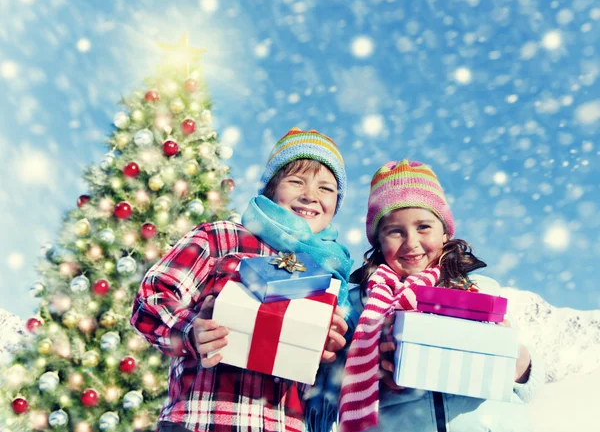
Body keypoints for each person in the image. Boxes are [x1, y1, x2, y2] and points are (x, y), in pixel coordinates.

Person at [131, 127, 356, 432]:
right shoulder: (223, 237)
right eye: (296, 181)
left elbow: (317, 380)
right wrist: (189, 331)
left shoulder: (328, 274)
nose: (310, 195)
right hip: (202, 419)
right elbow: (152, 297)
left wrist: (325, 350)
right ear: (271, 189)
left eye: (326, 188)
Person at [338, 159, 544, 432]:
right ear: (378, 240)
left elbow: (528, 387)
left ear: (445, 232)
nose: (411, 243)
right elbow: (326, 388)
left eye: (423, 227)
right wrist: (370, 370)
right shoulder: (358, 305)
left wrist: (509, 354)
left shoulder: (481, 291)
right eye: (395, 231)